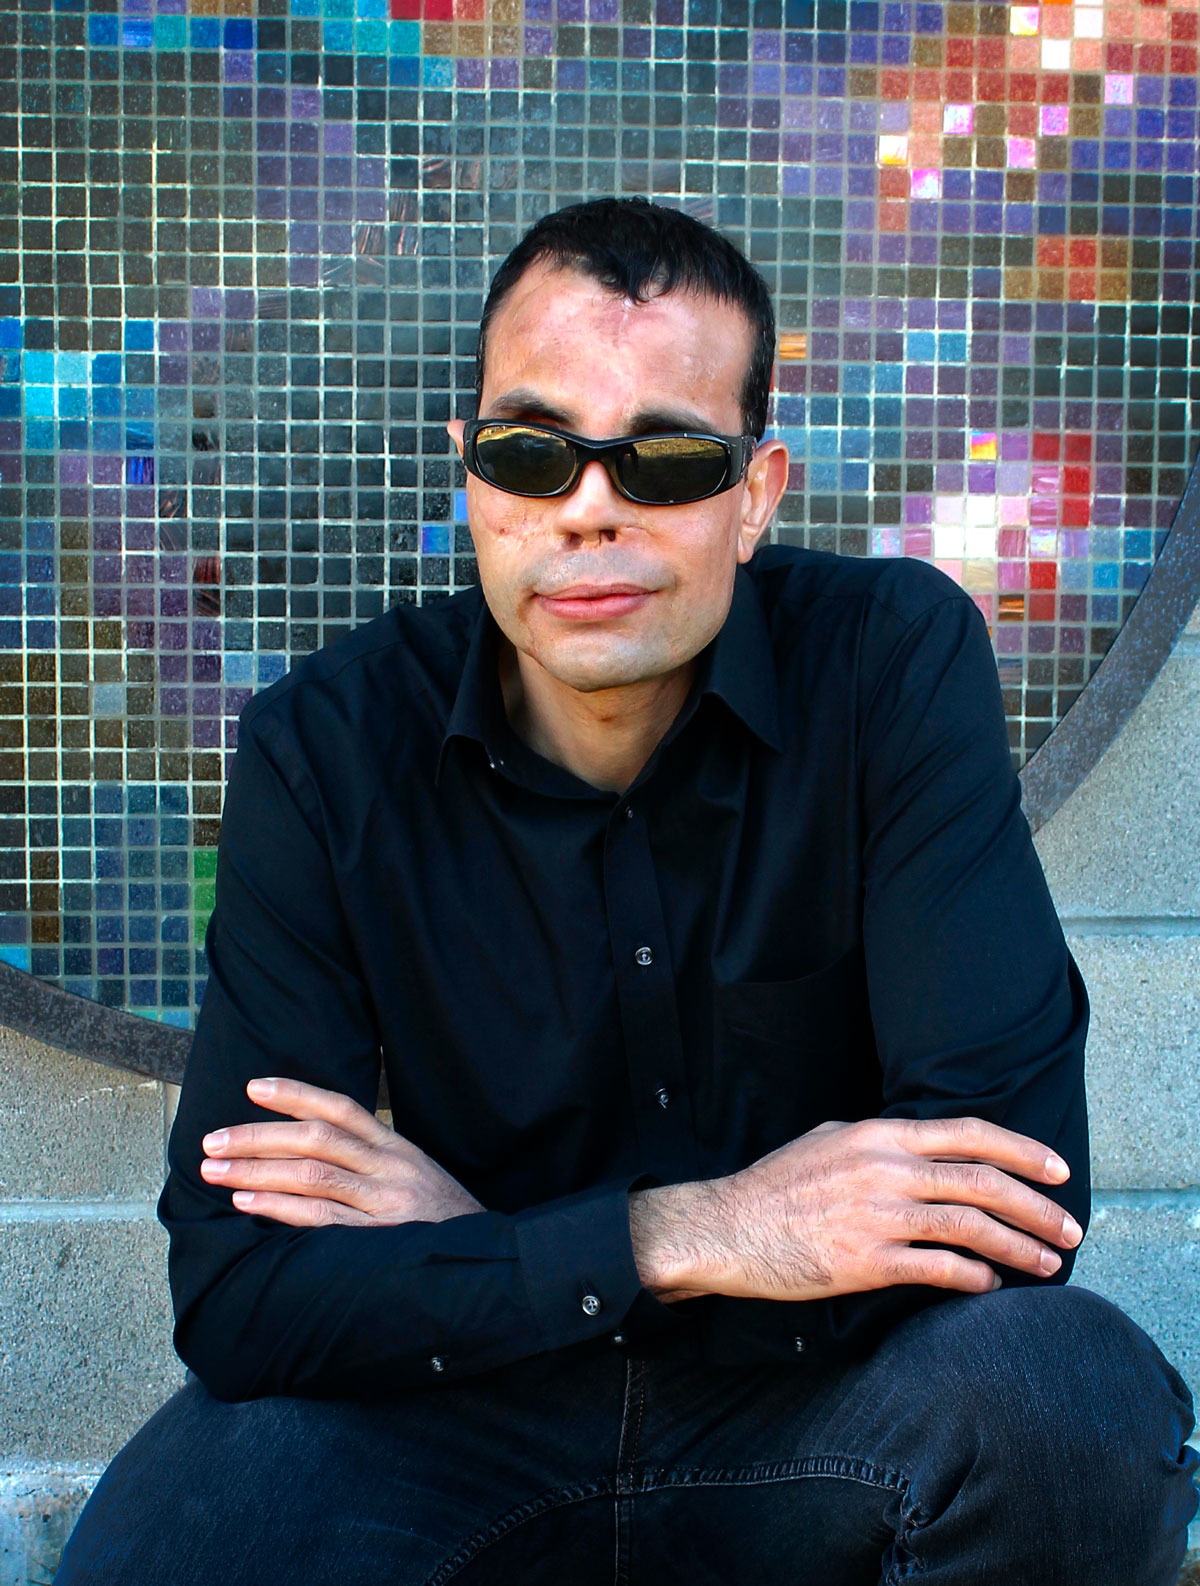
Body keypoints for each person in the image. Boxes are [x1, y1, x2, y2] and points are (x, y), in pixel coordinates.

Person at [58, 197, 1197, 1585]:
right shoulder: (328, 747)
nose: (587, 506)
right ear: (472, 476)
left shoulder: (888, 668)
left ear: (756, 494)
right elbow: (240, 1296)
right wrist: (697, 1231)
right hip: (461, 1420)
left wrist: (475, 1251)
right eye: (534, 453)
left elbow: (1016, 1208)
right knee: (169, 1537)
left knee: (1070, 1408)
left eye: (661, 458)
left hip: (807, 1417)